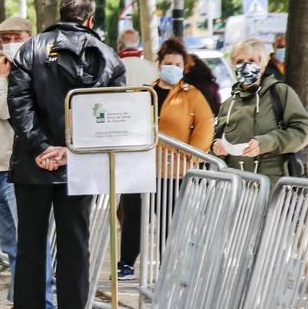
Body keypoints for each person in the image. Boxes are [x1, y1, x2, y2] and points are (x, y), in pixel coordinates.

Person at [4, 0, 125, 309]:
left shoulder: (31, 50)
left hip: (33, 164)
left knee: (30, 247)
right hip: (80, 164)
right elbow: (113, 109)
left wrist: (41, 147)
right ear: (90, 18)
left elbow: (19, 104)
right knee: (76, 247)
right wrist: (73, 150)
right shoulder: (106, 55)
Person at [0, 17, 57, 309]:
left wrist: (2, 83)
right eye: (4, 37)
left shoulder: (32, 71)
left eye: (15, 36)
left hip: (20, 170)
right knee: (10, 243)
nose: (9, 41)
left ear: (29, 36)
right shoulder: (2, 76)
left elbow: (8, 111)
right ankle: (21, 301)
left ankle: (44, 304)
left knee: (30, 240)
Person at [117, 38, 216, 280]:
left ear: (185, 67)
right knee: (133, 215)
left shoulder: (191, 95)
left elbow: (204, 126)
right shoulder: (145, 92)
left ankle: (167, 266)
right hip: (140, 168)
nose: (172, 67)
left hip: (173, 170)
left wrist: (191, 158)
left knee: (168, 220)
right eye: (168, 63)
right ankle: (126, 263)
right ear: (159, 64)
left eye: (177, 64)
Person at [213, 37, 308, 178]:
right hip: (234, 186)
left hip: (271, 184)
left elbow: (302, 130)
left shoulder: (280, 92)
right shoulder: (228, 104)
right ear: (233, 66)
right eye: (239, 61)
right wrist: (215, 146)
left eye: (251, 61)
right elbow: (216, 138)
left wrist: (266, 143)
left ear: (262, 64)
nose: (245, 66)